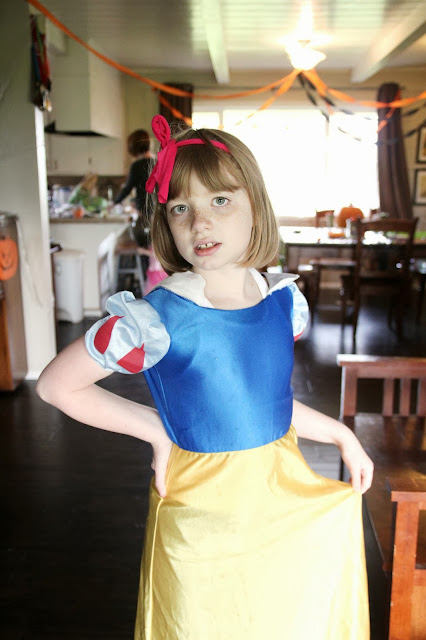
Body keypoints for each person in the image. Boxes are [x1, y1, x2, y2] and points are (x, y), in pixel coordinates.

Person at [37, 115, 373, 640]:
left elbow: (263, 406)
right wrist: (158, 430)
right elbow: (56, 385)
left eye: (220, 200)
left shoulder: (282, 302)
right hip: (200, 519)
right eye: (181, 208)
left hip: (279, 498)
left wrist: (339, 434)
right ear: (166, 222)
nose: (200, 222)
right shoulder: (154, 319)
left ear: (255, 206)